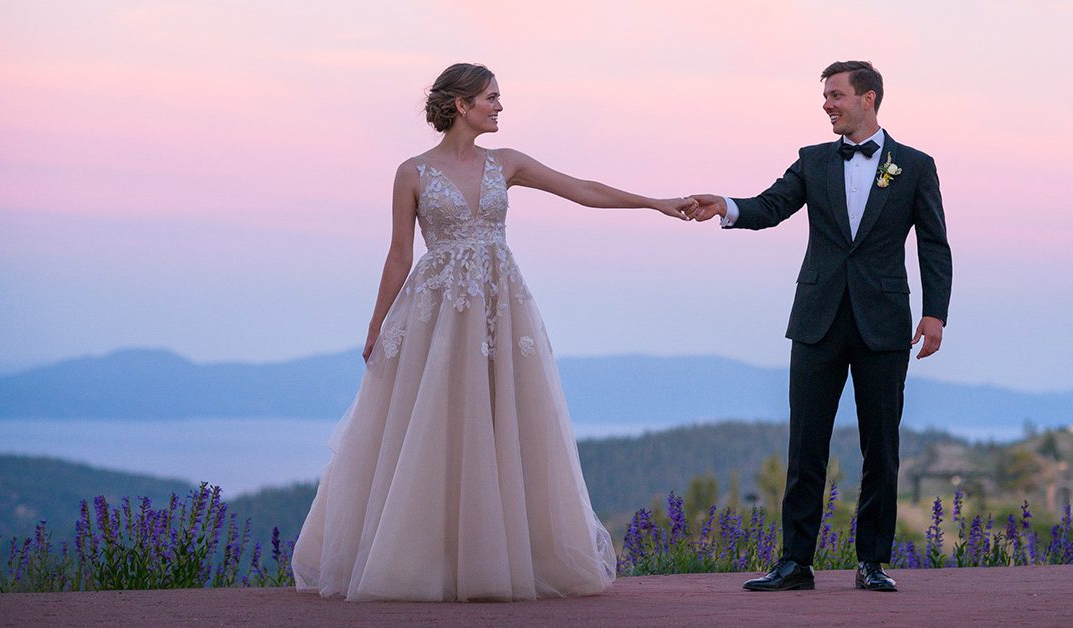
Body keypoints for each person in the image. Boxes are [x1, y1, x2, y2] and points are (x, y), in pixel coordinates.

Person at [291, 62, 695, 602]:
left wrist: (655, 203)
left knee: (501, 418)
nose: (500, 106)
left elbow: (579, 188)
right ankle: (421, 560)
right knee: (432, 424)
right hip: (436, 309)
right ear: (461, 104)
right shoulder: (411, 172)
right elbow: (398, 254)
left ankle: (494, 558)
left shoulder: (506, 163)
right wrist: (377, 324)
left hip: (501, 305)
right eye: (491, 97)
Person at [687, 60, 952, 592]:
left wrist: (934, 313)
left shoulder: (916, 166)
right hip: (817, 321)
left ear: (868, 98)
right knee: (806, 443)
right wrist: (728, 206)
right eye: (825, 96)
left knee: (881, 447)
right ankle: (795, 564)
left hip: (883, 324)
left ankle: (871, 563)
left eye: (835, 95)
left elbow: (934, 244)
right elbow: (771, 205)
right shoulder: (812, 161)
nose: (826, 104)